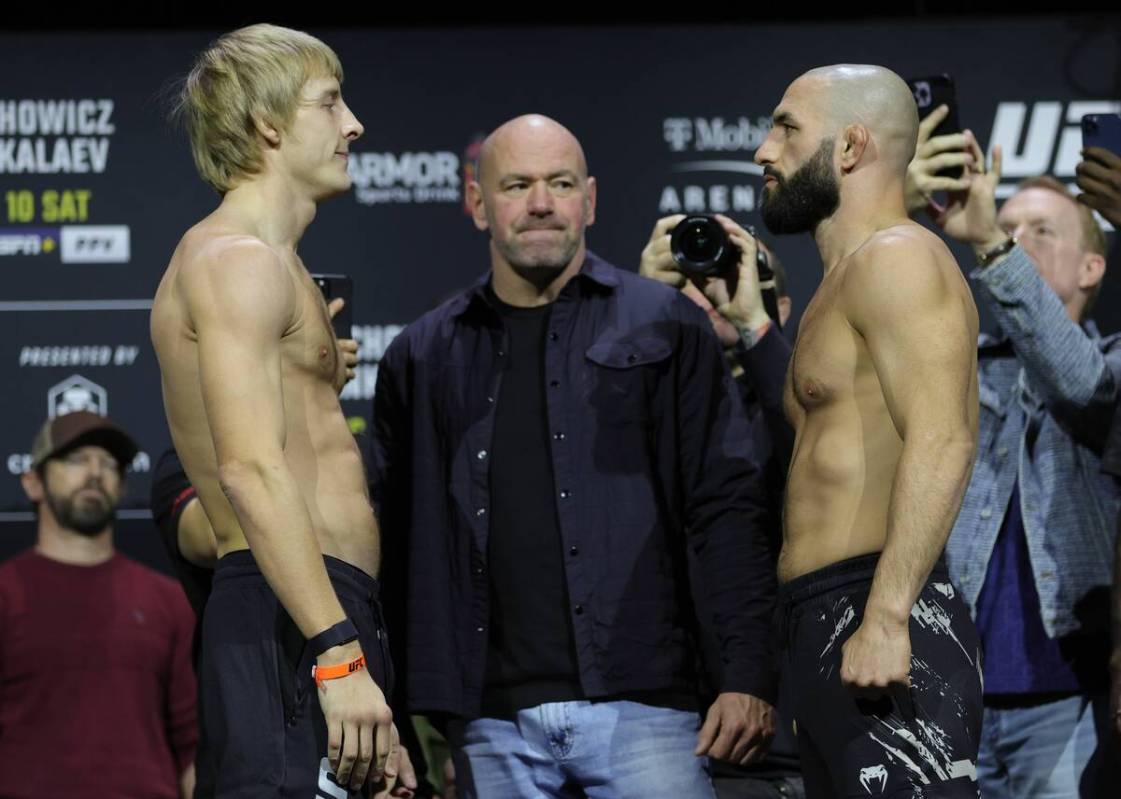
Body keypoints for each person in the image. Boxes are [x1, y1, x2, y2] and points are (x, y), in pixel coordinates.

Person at [371, 113, 778, 798]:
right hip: (488, 720)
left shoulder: (666, 323)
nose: (539, 202)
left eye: (559, 183)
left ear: (588, 200)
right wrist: (395, 711)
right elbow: (394, 542)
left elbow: (726, 507)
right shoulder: (423, 352)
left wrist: (747, 674)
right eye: (517, 184)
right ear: (477, 204)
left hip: (650, 705)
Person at [151, 23, 412, 797]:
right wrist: (337, 652)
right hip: (289, 619)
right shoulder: (235, 260)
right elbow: (251, 467)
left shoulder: (276, 262)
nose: (353, 125)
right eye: (330, 104)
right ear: (268, 124)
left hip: (321, 611)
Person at [750, 65, 983, 798]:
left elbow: (943, 437)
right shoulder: (837, 282)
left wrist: (886, 613)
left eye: (785, 127)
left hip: (882, 615)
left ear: (849, 146)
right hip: (821, 621)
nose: (762, 150)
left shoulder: (898, 258)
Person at [908, 106, 1118, 797]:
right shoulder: (957, 365)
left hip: (1063, 696)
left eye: (1040, 229)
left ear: (1093, 266)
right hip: (946, 694)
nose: (1015, 237)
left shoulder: (1109, 365)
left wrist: (991, 243)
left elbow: (1077, 383)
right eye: (1009, 223)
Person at [641, 218, 802, 798]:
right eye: (685, 285)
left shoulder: (796, 394)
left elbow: (813, 454)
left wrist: (752, 327)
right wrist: (642, 317)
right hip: (656, 718)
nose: (705, 294)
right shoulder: (648, 397)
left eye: (725, 279)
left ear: (778, 304)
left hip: (776, 723)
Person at [0, 411, 197, 799]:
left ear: (122, 487)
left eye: (109, 464)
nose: (94, 472)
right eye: (76, 459)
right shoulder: (6, 594)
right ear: (33, 481)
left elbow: (192, 750)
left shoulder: (169, 601)